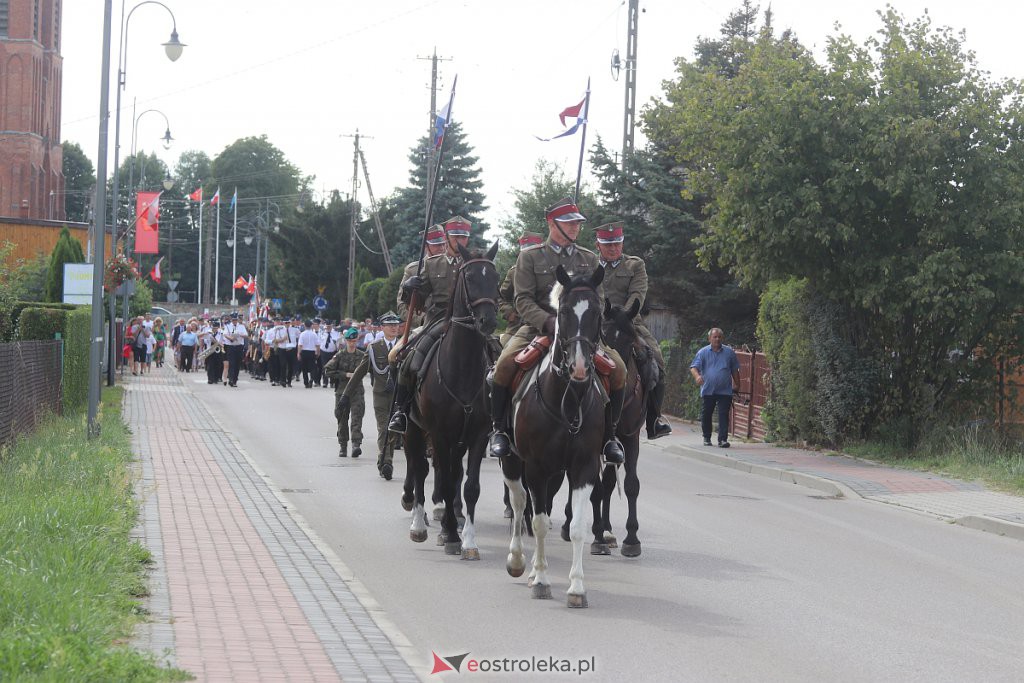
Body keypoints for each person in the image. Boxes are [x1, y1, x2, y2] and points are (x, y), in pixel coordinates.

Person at [487, 198, 627, 464]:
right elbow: (522, 299)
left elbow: (597, 298)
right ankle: (499, 430)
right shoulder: (529, 256)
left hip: (580, 332)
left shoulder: (588, 257)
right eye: (569, 223)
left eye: (577, 224)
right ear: (553, 224)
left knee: (619, 368)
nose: (575, 228)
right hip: (538, 328)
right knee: (503, 366)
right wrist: (548, 321)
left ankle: (610, 436)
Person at [387, 215, 472, 434]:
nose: (459, 241)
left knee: (494, 359)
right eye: (455, 236)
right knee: (408, 359)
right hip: (436, 321)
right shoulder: (431, 264)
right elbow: (414, 303)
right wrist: (409, 288)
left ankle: (494, 419)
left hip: (468, 323)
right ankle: (401, 410)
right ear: (449, 237)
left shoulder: (474, 263)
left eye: (464, 236)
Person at [593, 222, 672, 440]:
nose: (613, 248)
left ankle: (654, 419)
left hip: (629, 322)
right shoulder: (589, 265)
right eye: (608, 245)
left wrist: (623, 315)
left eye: (617, 243)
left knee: (656, 360)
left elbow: (638, 293)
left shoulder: (635, 265)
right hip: (596, 322)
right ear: (598, 245)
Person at [344, 312, 402, 479]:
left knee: (394, 430)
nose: (394, 327)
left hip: (399, 395)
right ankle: (386, 462)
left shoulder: (405, 345)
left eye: (396, 325)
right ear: (382, 327)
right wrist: (345, 396)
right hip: (381, 395)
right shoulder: (374, 348)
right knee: (384, 428)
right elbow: (359, 373)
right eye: (390, 325)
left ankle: (383, 459)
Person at [689, 327, 741, 447]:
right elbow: (693, 367)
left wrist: (737, 384)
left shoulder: (729, 353)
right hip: (708, 390)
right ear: (709, 338)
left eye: (719, 337)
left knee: (723, 414)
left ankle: (722, 440)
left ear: (722, 338)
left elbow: (735, 369)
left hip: (725, 390)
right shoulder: (703, 352)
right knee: (707, 413)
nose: (717, 339)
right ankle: (707, 437)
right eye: (715, 337)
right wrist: (697, 377)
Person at [323, 327, 366, 458]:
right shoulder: (340, 355)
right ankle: (343, 446)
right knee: (342, 419)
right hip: (342, 391)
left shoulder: (362, 355)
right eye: (350, 341)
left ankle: (356, 445)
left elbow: (369, 369)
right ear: (346, 341)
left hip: (357, 391)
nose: (352, 343)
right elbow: (327, 370)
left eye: (354, 341)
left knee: (356, 418)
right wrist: (345, 374)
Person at [396, 225, 447, 328]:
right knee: (404, 345)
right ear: (426, 246)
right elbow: (401, 307)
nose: (441, 248)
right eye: (436, 245)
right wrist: (423, 319)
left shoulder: (455, 266)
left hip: (451, 322)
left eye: (443, 244)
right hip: (423, 327)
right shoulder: (414, 270)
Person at [498, 232, 543, 346]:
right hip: (517, 328)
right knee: (501, 356)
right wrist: (509, 313)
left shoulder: (549, 271)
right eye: (524, 252)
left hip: (545, 326)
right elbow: (500, 297)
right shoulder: (514, 272)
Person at [222, 312, 248, 387]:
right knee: (232, 364)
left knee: (237, 364)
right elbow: (225, 334)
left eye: (236, 320)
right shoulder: (227, 326)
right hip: (231, 347)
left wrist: (240, 334)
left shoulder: (241, 326)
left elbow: (246, 335)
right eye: (233, 320)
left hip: (239, 346)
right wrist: (231, 338)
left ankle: (235, 380)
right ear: (231, 319)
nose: (234, 321)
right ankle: (231, 380)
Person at [297, 319, 320, 388]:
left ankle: (306, 382)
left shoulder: (302, 334)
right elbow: (318, 345)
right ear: (311, 326)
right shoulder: (314, 334)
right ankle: (312, 379)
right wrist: (318, 352)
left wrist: (298, 353)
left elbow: (300, 345)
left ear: (305, 326)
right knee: (312, 367)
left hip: (304, 352)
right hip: (312, 352)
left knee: (304, 368)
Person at [205, 320, 226, 384]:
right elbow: (206, 341)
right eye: (214, 328)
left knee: (217, 365)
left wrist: (218, 343)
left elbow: (223, 341)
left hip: (218, 350)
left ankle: (216, 378)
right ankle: (210, 379)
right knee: (210, 365)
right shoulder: (208, 333)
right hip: (210, 350)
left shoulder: (221, 333)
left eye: (216, 328)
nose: (215, 329)